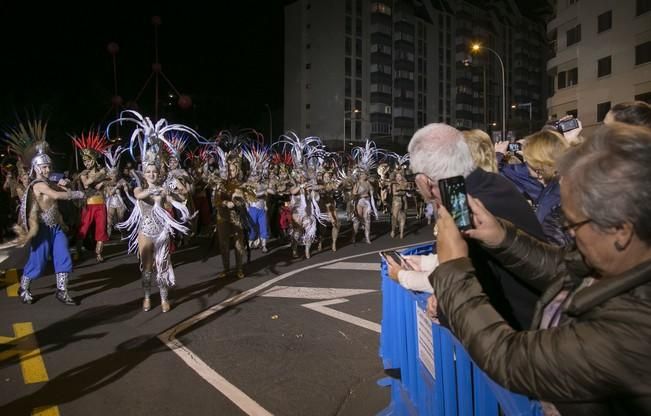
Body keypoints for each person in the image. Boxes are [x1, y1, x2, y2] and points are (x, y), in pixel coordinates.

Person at [429, 122, 651, 414]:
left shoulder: (631, 333)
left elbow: (508, 358)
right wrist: (502, 237)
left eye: (573, 223)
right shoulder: (622, 263)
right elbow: (564, 267)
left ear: (621, 230)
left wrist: (453, 268)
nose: (568, 232)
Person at [389, 123, 545, 329]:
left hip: (520, 339)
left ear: (425, 182)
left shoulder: (465, 210)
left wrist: (443, 306)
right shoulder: (492, 183)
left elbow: (470, 294)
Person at [6, 119, 86, 305]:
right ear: (35, 168)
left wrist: (66, 187)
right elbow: (54, 196)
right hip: (41, 229)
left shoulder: (50, 182)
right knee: (38, 261)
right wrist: (76, 193)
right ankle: (24, 287)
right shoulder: (38, 185)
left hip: (55, 227)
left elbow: (58, 197)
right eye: (44, 167)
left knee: (63, 255)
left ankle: (62, 290)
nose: (47, 169)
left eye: (49, 166)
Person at [72, 131, 111, 262]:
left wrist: (103, 180)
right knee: (83, 229)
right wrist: (101, 175)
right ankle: (78, 251)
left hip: (101, 204)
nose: (86, 163)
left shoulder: (102, 171)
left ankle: (99, 253)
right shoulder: (84, 173)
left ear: (94, 159)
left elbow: (107, 183)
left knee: (101, 229)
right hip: (88, 204)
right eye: (84, 161)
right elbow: (87, 183)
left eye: (88, 160)